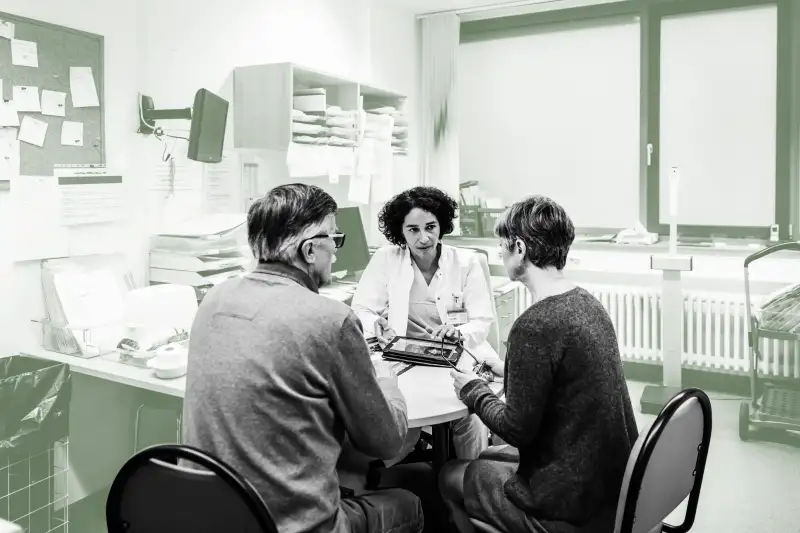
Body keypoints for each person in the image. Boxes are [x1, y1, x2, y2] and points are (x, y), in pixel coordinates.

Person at [182, 184, 424, 533]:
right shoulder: (330, 319)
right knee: (410, 504)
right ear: (310, 249)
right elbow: (384, 441)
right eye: (334, 240)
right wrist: (387, 380)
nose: (336, 252)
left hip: (214, 516)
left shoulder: (213, 300)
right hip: (295, 526)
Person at [439, 195, 639, 533]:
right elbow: (568, 382)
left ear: (519, 247)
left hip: (568, 500)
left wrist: (472, 389)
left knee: (449, 474)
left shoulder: (534, 325)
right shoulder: (586, 303)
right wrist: (512, 371)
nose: (501, 255)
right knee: (488, 458)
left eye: (501, 246)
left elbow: (516, 429)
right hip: (609, 483)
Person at [350, 186, 501, 462]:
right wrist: (376, 324)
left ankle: (468, 486)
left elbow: (482, 322)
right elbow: (361, 309)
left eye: (430, 227)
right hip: (405, 359)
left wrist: (459, 332)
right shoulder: (386, 259)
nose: (424, 238)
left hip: (456, 356)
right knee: (399, 414)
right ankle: (392, 482)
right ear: (401, 231)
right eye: (413, 230)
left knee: (471, 419)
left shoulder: (465, 263)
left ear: (441, 224)